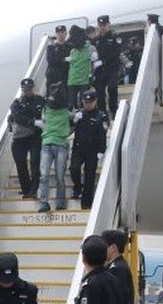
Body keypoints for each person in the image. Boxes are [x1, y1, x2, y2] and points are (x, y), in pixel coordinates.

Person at [69, 90, 109, 209]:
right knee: (74, 169)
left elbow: (102, 133)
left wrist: (101, 150)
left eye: (90, 102)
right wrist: (73, 120)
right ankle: (77, 188)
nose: (88, 104)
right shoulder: (79, 113)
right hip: (78, 148)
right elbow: (68, 127)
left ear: (95, 101)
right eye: (85, 102)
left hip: (93, 150)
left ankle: (86, 203)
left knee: (89, 176)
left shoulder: (101, 115)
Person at [37, 82, 72, 213]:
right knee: (46, 175)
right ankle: (45, 202)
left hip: (58, 144)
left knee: (58, 175)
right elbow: (74, 120)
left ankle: (58, 201)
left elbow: (43, 120)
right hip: (49, 143)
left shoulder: (47, 109)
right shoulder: (66, 110)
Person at [8, 78, 46, 199]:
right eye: (24, 89)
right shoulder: (16, 103)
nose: (26, 92)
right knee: (20, 164)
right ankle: (26, 189)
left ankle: (34, 189)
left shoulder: (40, 100)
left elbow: (47, 112)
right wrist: (33, 121)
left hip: (35, 136)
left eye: (28, 89)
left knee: (35, 161)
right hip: (19, 139)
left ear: (32, 88)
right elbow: (18, 117)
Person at [93, 15, 123, 118]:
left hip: (111, 68)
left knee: (112, 88)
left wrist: (103, 61)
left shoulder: (115, 37)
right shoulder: (96, 40)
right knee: (100, 94)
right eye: (100, 25)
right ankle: (103, 114)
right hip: (99, 70)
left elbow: (116, 52)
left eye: (104, 25)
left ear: (108, 25)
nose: (103, 27)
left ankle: (114, 110)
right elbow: (92, 51)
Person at [66, 25, 99, 110]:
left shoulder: (90, 48)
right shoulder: (73, 50)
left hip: (84, 79)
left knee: (84, 102)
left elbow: (95, 59)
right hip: (73, 80)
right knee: (72, 103)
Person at [45, 25, 70, 96]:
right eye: (58, 33)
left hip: (66, 76)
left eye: (62, 32)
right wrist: (64, 59)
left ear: (66, 33)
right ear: (56, 34)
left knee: (66, 98)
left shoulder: (69, 46)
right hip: (53, 77)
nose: (60, 35)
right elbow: (50, 60)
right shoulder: (51, 47)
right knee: (52, 98)